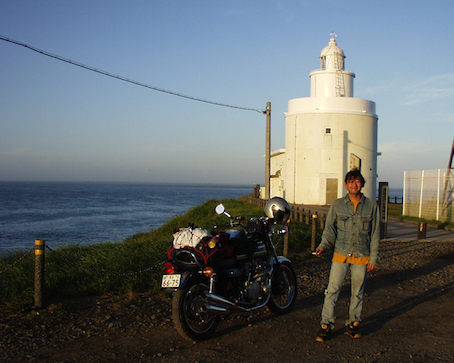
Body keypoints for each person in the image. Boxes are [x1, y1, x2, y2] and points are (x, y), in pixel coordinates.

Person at [315, 169, 380, 342]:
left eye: (357, 181)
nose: (354, 184)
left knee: (357, 292)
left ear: (362, 183)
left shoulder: (372, 206)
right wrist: (323, 246)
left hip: (361, 255)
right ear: (345, 184)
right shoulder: (337, 205)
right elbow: (330, 231)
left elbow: (374, 234)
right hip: (340, 254)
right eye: (350, 181)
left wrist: (374, 258)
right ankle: (326, 325)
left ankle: (353, 324)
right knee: (332, 291)